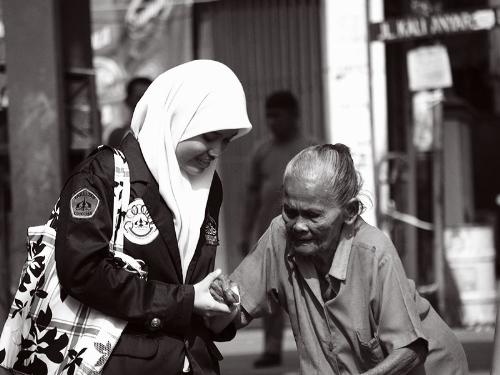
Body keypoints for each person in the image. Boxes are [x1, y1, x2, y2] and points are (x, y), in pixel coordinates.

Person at [54, 60, 252, 375]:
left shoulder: (209, 186)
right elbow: (82, 270)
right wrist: (186, 301)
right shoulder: (104, 174)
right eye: (209, 136)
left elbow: (187, 279)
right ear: (174, 118)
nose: (215, 152)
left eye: (226, 141)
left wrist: (216, 309)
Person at [213, 144, 469, 374]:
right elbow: (236, 308)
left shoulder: (373, 251)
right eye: (290, 211)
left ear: (350, 212)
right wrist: (221, 300)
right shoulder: (280, 234)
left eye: (313, 215)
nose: (299, 226)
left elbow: (411, 350)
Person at [239, 90, 316, 367]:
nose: (272, 121)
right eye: (269, 116)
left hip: (308, 235)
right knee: (270, 290)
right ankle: (271, 349)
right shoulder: (262, 151)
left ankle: (317, 350)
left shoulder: (311, 150)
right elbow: (250, 196)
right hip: (271, 236)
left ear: (294, 116)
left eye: (278, 115)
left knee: (309, 293)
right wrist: (245, 233)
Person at [107, 76, 153, 147]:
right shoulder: (118, 136)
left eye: (149, 98)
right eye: (139, 97)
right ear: (128, 101)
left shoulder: (165, 133)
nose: (145, 103)